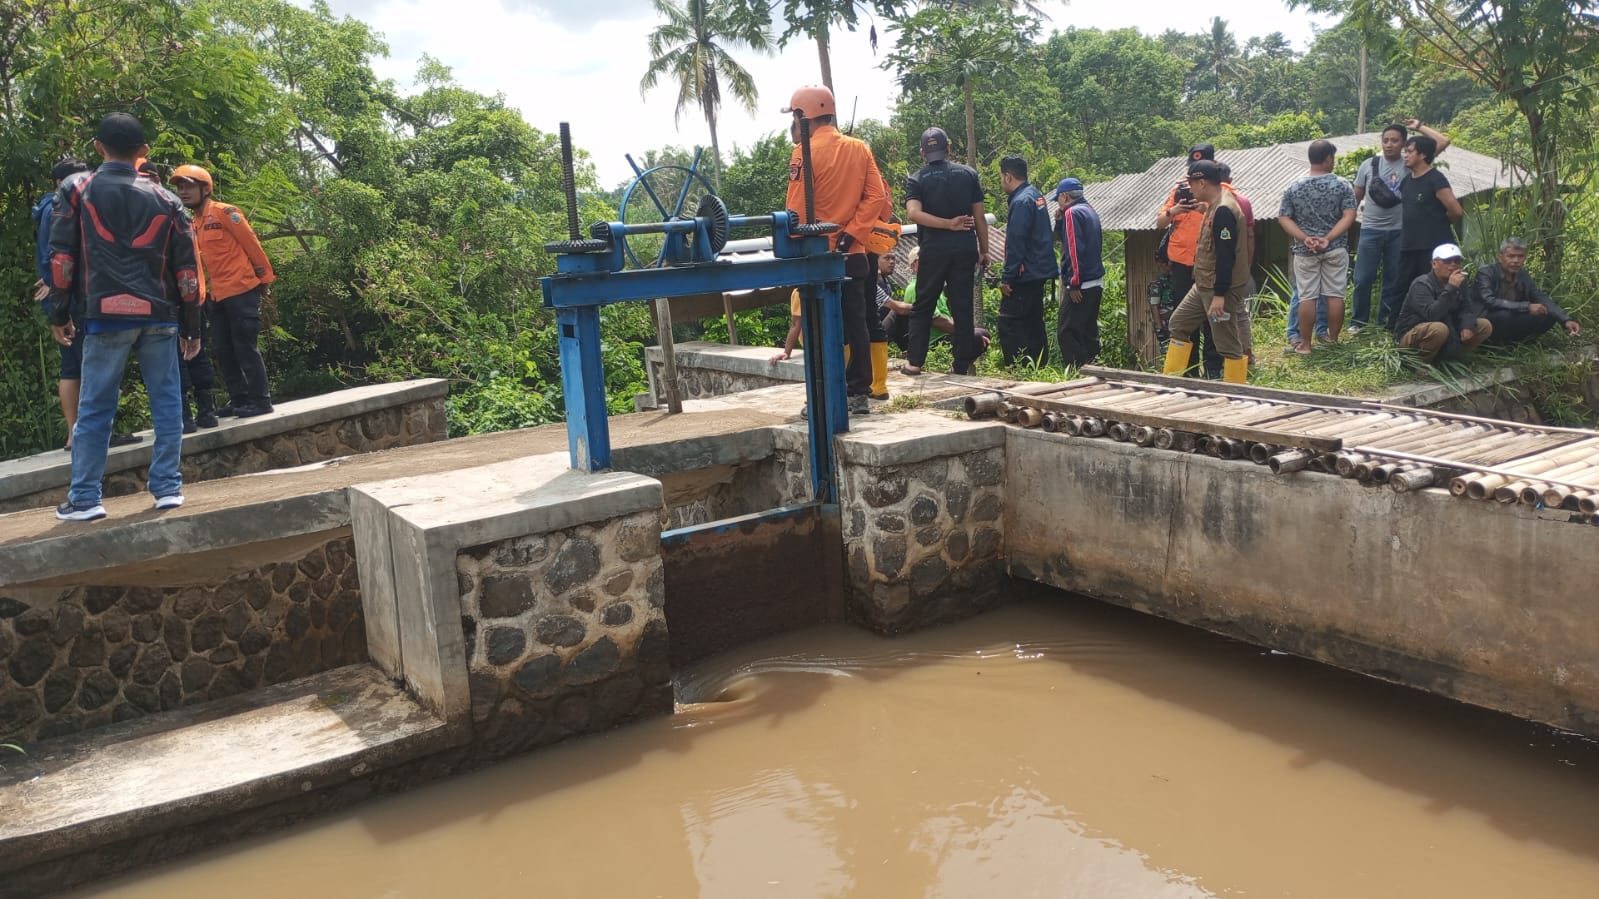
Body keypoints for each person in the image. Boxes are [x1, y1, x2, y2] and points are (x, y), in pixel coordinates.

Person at [47, 113, 202, 521]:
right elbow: (188, 272)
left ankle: (85, 499)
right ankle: (168, 488)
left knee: (96, 406)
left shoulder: (77, 188)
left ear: (98, 147)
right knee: (167, 401)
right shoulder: (167, 199)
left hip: (104, 314)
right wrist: (192, 325)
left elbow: (62, 259)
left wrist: (58, 311)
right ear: (144, 152)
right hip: (160, 315)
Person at [783, 84, 886, 415]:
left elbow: (796, 209)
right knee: (857, 322)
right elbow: (877, 198)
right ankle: (858, 394)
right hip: (853, 254)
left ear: (803, 116)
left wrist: (793, 246)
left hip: (817, 258)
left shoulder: (803, 152)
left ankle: (821, 397)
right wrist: (852, 233)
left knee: (818, 326)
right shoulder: (860, 149)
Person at [169, 163, 276, 417]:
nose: (183, 192)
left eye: (189, 186)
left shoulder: (226, 213)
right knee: (223, 349)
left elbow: (252, 244)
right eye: (180, 187)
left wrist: (265, 279)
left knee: (244, 346)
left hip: (242, 289)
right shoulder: (192, 223)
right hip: (216, 295)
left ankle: (261, 401)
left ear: (205, 189)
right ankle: (239, 400)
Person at [138, 160, 218, 433]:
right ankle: (193, 415)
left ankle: (201, 413)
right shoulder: (175, 212)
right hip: (176, 297)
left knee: (188, 353)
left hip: (182, 297)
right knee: (185, 353)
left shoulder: (165, 212)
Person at [903, 126, 987, 376]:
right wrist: (984, 250)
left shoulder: (917, 179)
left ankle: (914, 363)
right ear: (948, 148)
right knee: (962, 307)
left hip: (933, 249)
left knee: (923, 304)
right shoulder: (968, 174)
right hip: (964, 248)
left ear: (922, 153)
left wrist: (944, 224)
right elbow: (980, 217)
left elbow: (913, 213)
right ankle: (960, 366)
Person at [1161, 159, 1251, 384]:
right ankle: (1172, 384)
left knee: (1227, 343)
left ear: (1202, 183)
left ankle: (1236, 393)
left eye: (1191, 183)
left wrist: (1220, 295)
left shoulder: (1223, 211)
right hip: (1202, 284)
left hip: (1218, 288)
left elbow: (1226, 256)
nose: (1188, 188)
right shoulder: (1213, 206)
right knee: (1178, 324)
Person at [1279, 139, 1357, 354]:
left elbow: (1284, 218)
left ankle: (1305, 345)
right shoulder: (1342, 184)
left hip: (1305, 252)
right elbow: (1349, 215)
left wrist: (1305, 238)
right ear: (1328, 158)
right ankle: (1332, 340)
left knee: (1307, 297)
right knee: (1335, 295)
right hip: (1335, 248)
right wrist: (1329, 238)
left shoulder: (1294, 186)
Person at [1157, 143, 1223, 378]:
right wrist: (1174, 210)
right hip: (1182, 264)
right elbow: (1160, 223)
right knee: (1185, 319)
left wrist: (1204, 207)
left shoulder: (1223, 189)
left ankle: (1214, 370)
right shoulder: (1179, 188)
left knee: (1213, 319)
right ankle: (1189, 370)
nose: (1195, 181)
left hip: (1210, 265)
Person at [1394, 133, 1462, 330]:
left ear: (1422, 155)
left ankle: (1440, 328)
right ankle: (1400, 329)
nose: (1405, 155)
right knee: (1402, 287)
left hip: (1432, 246)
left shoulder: (1436, 178)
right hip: (1408, 244)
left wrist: (1437, 224)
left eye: (1409, 152)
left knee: (1433, 288)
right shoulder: (1407, 181)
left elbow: (1456, 211)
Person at [997, 155, 1058, 367]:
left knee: (1009, 322)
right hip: (1039, 271)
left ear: (1008, 176)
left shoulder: (1021, 201)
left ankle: (1017, 369)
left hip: (1025, 273)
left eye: (1001, 177)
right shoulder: (1035, 195)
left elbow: (1016, 241)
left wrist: (1007, 277)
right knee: (1033, 322)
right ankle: (1038, 366)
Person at [880, 246, 991, 353]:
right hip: (933, 341)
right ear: (914, 266)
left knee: (983, 333)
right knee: (976, 338)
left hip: (944, 334)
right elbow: (936, 320)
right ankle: (958, 368)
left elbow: (945, 315)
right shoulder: (916, 288)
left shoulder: (934, 285)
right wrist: (965, 332)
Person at [1393, 243, 1491, 364]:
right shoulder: (1421, 284)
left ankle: (1449, 359)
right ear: (1434, 264)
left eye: (1457, 261)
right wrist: (1450, 288)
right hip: (1413, 335)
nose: (1453, 265)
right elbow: (1432, 315)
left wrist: (1467, 325)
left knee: (1484, 325)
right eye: (1447, 261)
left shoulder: (1461, 282)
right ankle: (1419, 363)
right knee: (1439, 329)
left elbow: (1467, 308)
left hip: (1449, 331)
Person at [1351, 125, 1409, 331]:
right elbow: (1355, 198)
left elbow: (1439, 146)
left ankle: (1386, 321)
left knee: (1393, 279)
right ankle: (1358, 322)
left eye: (1394, 140)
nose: (1389, 144)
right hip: (1370, 230)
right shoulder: (1368, 165)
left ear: (1403, 143)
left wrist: (1419, 127)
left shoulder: (1409, 165)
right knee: (1362, 278)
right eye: (1386, 140)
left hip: (1399, 231)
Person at [1475, 237, 1581, 345]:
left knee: (1548, 314)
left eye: (1520, 256)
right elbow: (1489, 301)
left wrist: (1565, 320)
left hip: (1513, 314)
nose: (1516, 261)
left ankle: (1518, 343)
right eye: (1511, 256)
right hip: (1487, 317)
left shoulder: (1522, 273)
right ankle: (1495, 346)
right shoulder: (1486, 272)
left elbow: (1538, 295)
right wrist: (1526, 306)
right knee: (1504, 316)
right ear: (1500, 257)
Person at [1052, 177, 1105, 368]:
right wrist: (1059, 221)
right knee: (1087, 331)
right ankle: (1094, 368)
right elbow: (1065, 239)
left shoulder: (1072, 213)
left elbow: (1073, 249)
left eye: (1058, 198)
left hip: (1081, 283)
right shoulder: (1090, 210)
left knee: (1066, 331)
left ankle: (1077, 372)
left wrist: (1074, 282)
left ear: (1065, 196)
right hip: (1096, 281)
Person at [1216, 163, 1255, 362]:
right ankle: (1246, 355)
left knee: (1221, 314)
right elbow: (1249, 236)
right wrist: (1246, 266)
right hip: (1238, 267)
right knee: (1239, 313)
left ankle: (1230, 360)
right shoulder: (1243, 201)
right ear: (1230, 180)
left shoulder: (1214, 203)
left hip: (1216, 271)